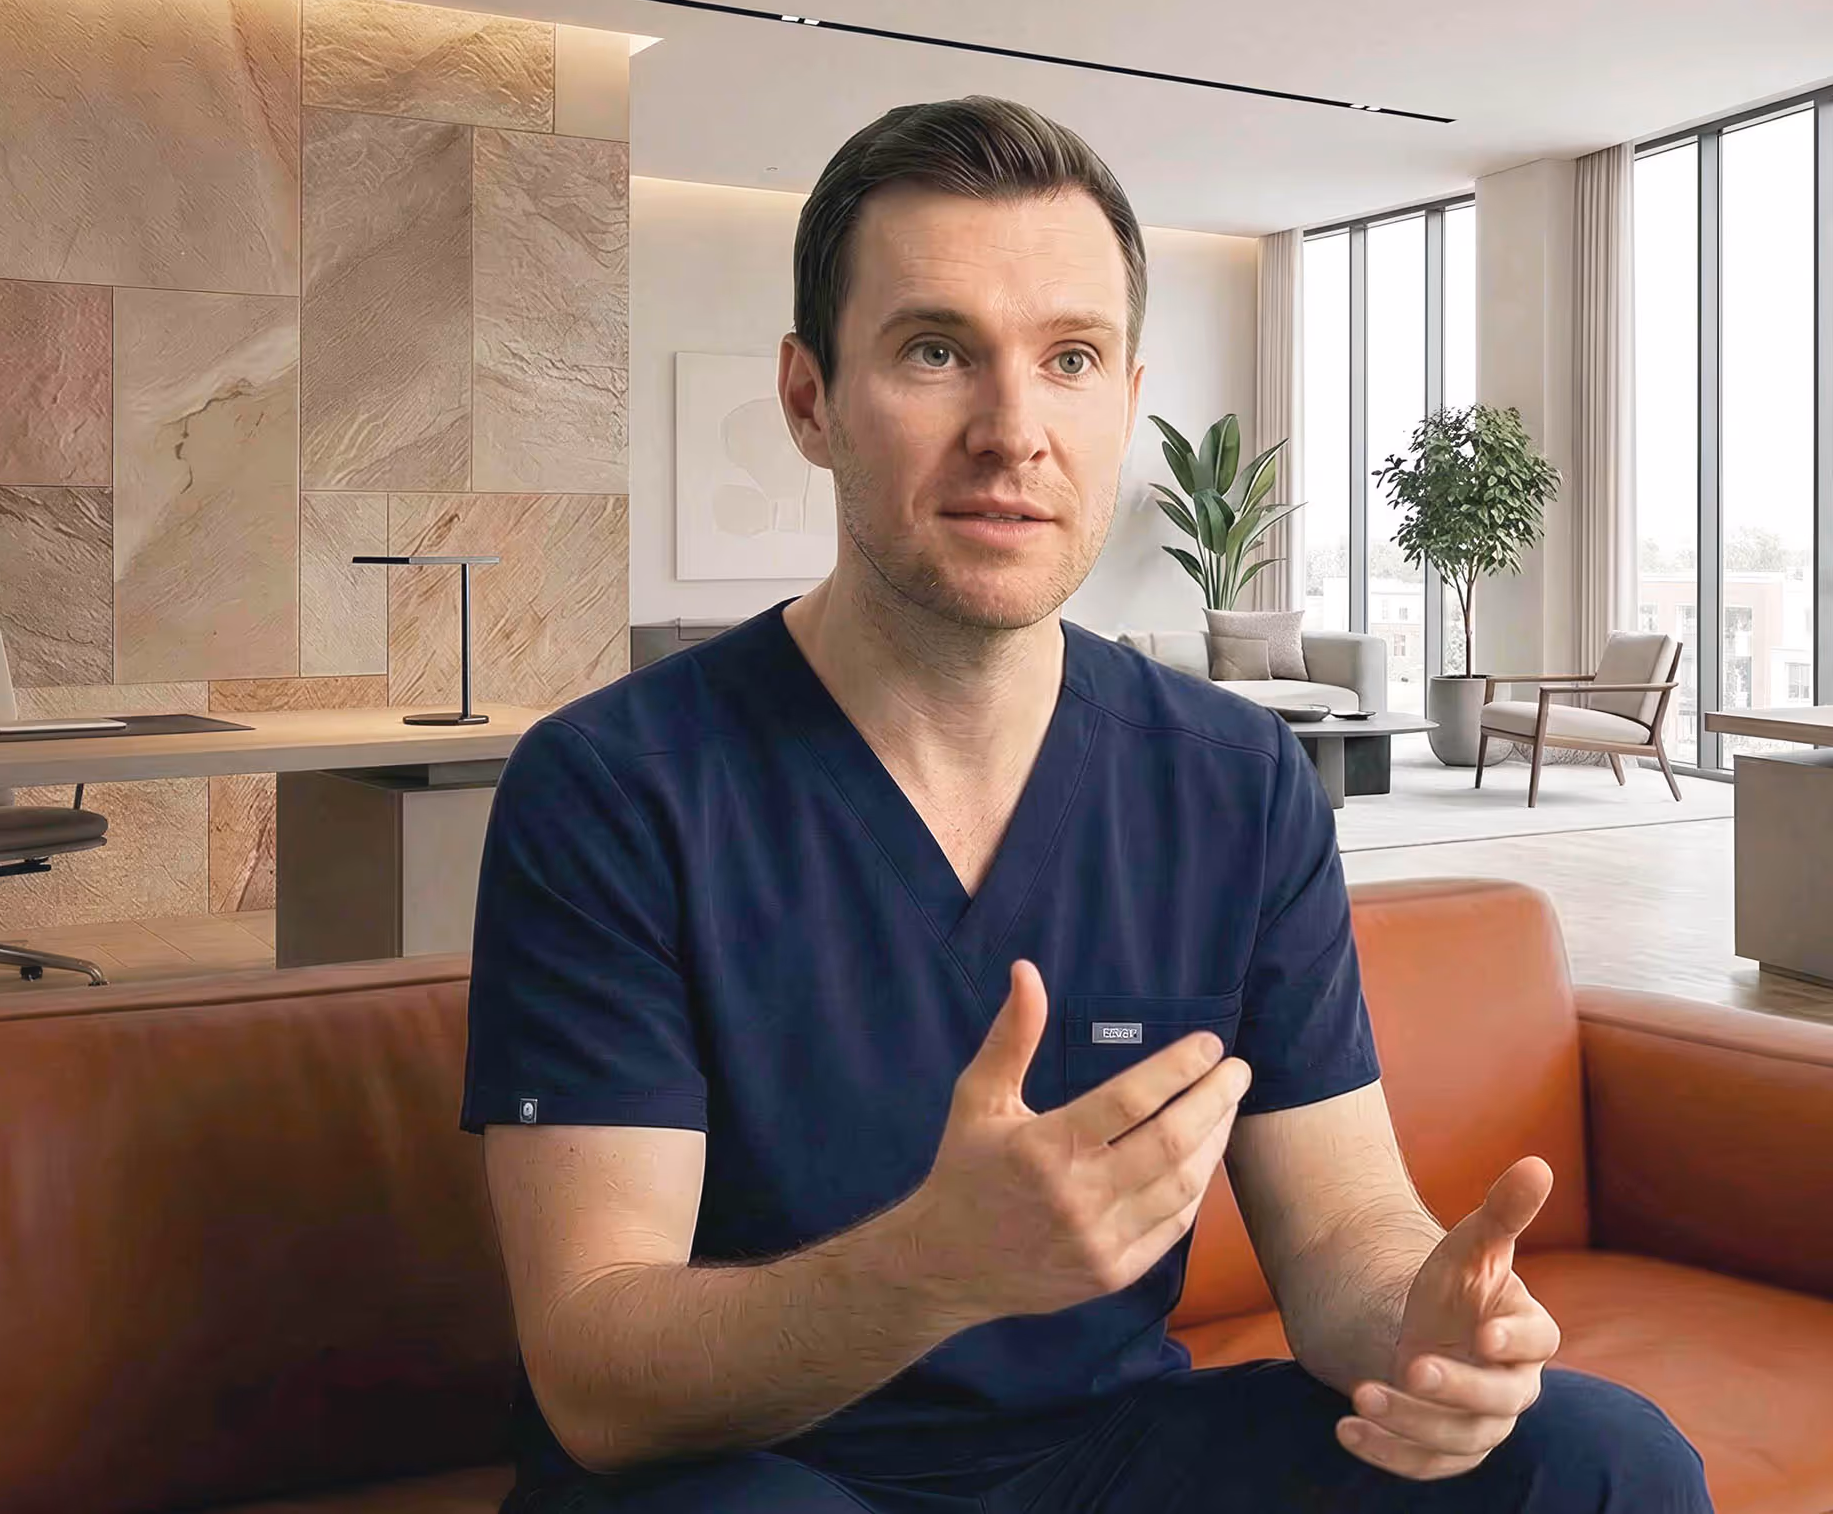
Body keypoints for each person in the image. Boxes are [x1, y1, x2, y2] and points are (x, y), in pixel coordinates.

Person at [461, 94, 1711, 1514]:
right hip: (753, 1471)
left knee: (1600, 1461)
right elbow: (598, 1377)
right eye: (935, 351)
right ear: (810, 400)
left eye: (1069, 360)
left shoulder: (1238, 783)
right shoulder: (614, 788)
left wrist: (1424, 1334)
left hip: (1109, 1458)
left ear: (1124, 400)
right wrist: (928, 1268)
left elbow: (1343, 1237)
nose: (1013, 433)